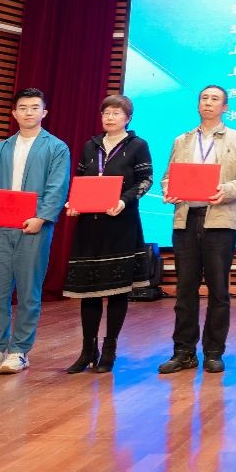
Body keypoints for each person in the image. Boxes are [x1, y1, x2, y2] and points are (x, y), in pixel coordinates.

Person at [158, 85, 236, 375]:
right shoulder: (182, 140)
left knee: (218, 291)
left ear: (225, 107)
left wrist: (227, 190)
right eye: (204, 98)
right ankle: (183, 352)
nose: (208, 103)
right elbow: (168, 177)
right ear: (198, 104)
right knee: (185, 290)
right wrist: (169, 190)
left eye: (215, 99)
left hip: (220, 221)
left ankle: (214, 352)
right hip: (186, 219)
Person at [0, 87, 71, 376]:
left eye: (34, 107)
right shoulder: (0, 148)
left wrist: (42, 217)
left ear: (44, 112)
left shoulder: (56, 147)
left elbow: (57, 186)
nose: (29, 112)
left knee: (28, 291)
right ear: (14, 113)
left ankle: (19, 351)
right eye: (23, 108)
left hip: (33, 228)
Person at [61, 94, 153, 374]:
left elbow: (145, 180)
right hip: (90, 225)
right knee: (89, 291)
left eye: (116, 113)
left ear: (128, 118)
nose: (110, 117)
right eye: (106, 113)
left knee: (117, 290)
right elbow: (80, 180)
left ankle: (109, 349)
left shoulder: (138, 145)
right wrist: (74, 203)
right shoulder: (91, 145)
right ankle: (88, 350)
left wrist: (124, 201)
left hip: (121, 224)